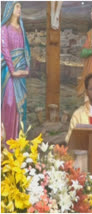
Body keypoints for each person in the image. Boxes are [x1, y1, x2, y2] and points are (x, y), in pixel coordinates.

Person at [1, 2, 30, 142]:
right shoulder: (4, 28)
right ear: (10, 9)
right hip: (9, 73)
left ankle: (17, 143)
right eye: (17, 6)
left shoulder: (21, 28)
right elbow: (5, 50)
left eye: (20, 7)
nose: (20, 9)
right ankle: (5, 144)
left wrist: (26, 69)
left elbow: (26, 50)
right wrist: (13, 71)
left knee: (20, 108)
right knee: (9, 104)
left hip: (21, 74)